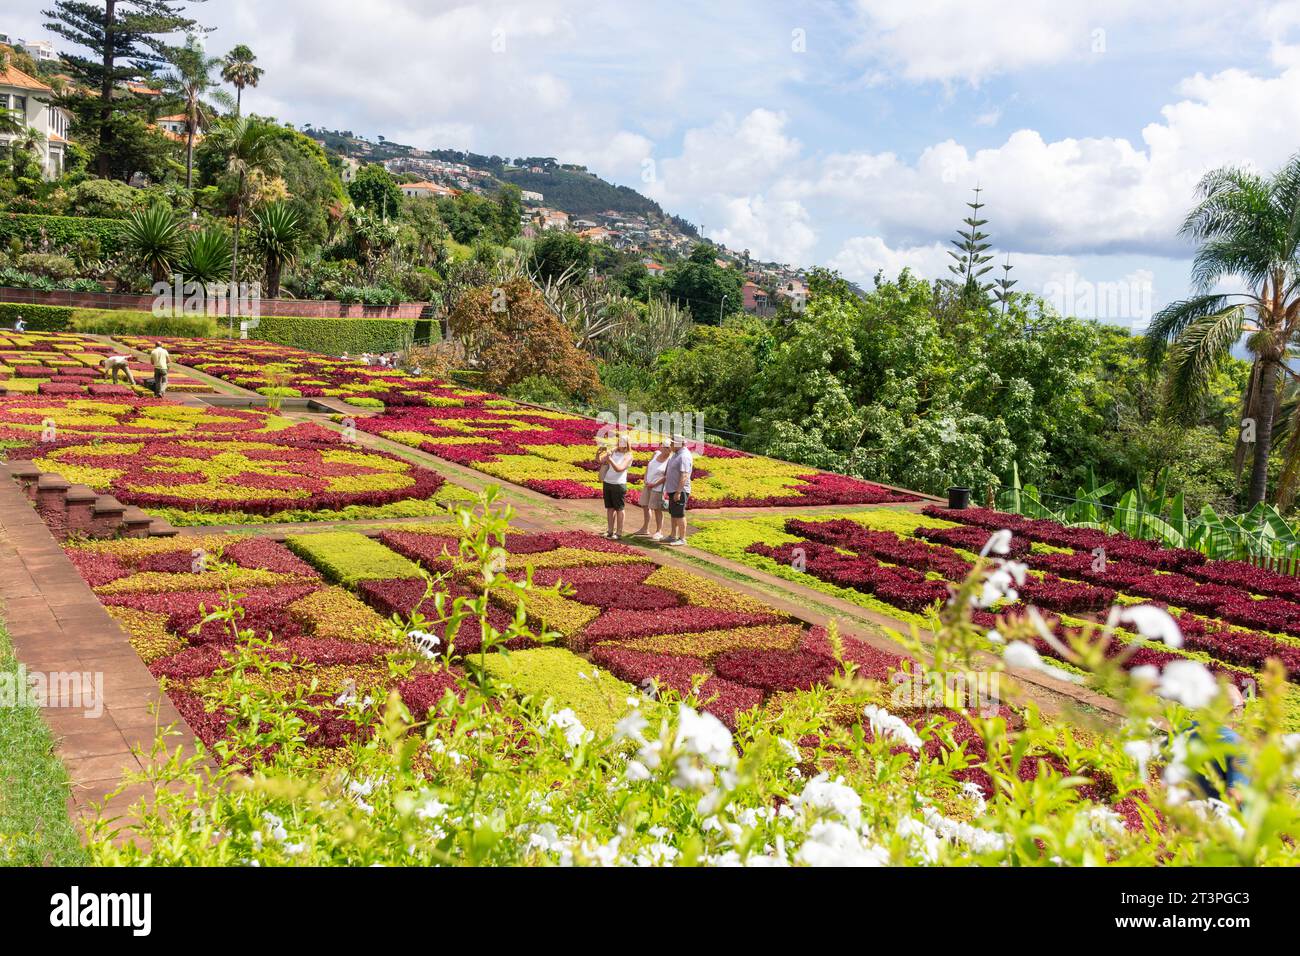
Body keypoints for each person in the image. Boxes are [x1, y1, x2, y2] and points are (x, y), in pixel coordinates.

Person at [631, 439, 672, 539]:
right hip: (648, 484)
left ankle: (659, 531)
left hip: (658, 488)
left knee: (657, 509)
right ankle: (645, 528)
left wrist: (654, 484)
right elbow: (648, 467)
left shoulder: (670, 460)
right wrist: (645, 479)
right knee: (645, 506)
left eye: (667, 448)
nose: (665, 449)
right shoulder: (656, 453)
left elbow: (667, 476)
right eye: (664, 446)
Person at [596, 435, 633, 539]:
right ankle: (610, 531)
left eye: (623, 441)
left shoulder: (628, 455)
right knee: (610, 508)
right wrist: (599, 453)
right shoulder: (614, 451)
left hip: (618, 485)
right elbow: (600, 460)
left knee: (619, 509)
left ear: (627, 444)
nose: (621, 443)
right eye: (620, 441)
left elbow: (619, 468)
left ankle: (619, 532)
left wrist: (610, 459)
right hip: (608, 482)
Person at [663, 434, 694, 546]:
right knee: (673, 513)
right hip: (673, 489)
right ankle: (672, 535)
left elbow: (684, 475)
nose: (670, 444)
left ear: (678, 444)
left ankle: (682, 539)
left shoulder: (684, 456)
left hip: (680, 490)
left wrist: (678, 492)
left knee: (679, 514)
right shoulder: (676, 454)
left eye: (672, 443)